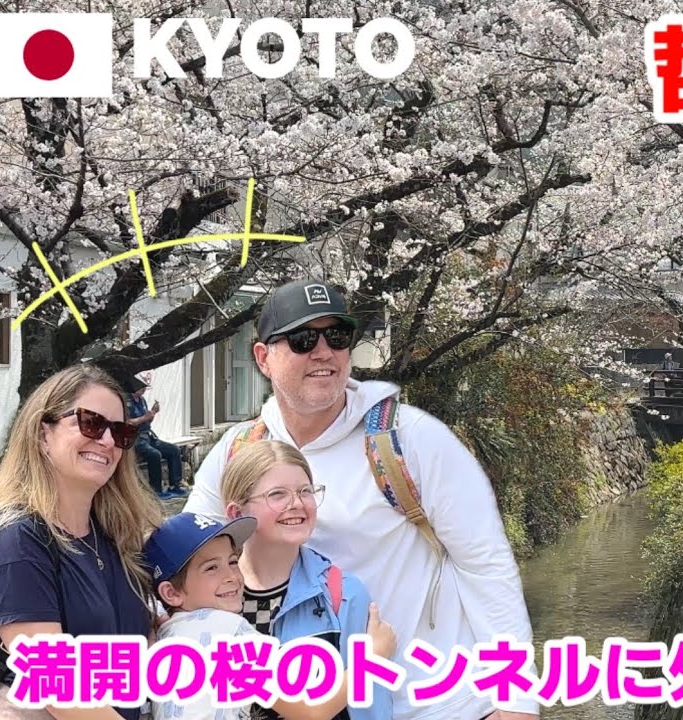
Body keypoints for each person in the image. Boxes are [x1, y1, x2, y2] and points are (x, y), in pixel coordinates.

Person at [183, 279, 537, 720]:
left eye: (338, 336)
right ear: (262, 358)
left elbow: (485, 564)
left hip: (438, 701)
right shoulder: (240, 449)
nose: (323, 351)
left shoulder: (409, 439)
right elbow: (190, 563)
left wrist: (517, 702)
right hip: (314, 702)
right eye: (302, 339)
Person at [0, 364, 162, 719]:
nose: (107, 441)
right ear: (43, 434)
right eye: (90, 423)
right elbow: (58, 688)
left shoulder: (113, 534)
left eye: (120, 432)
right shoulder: (17, 539)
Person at [145, 511, 397, 720]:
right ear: (171, 593)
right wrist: (372, 657)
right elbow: (312, 710)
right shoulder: (228, 631)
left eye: (233, 561)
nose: (231, 575)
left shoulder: (165, 637)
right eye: (211, 568)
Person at [218, 439, 394, 720]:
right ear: (237, 513)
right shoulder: (212, 593)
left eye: (305, 491)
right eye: (277, 495)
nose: (297, 504)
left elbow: (370, 707)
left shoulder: (343, 594)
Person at [126, 375, 187, 499]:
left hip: (148, 436)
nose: (143, 390)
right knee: (154, 454)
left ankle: (175, 484)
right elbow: (127, 422)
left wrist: (153, 413)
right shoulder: (126, 402)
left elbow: (147, 420)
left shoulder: (142, 400)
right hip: (136, 438)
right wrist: (144, 418)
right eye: (141, 388)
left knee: (173, 450)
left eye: (144, 388)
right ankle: (156, 489)